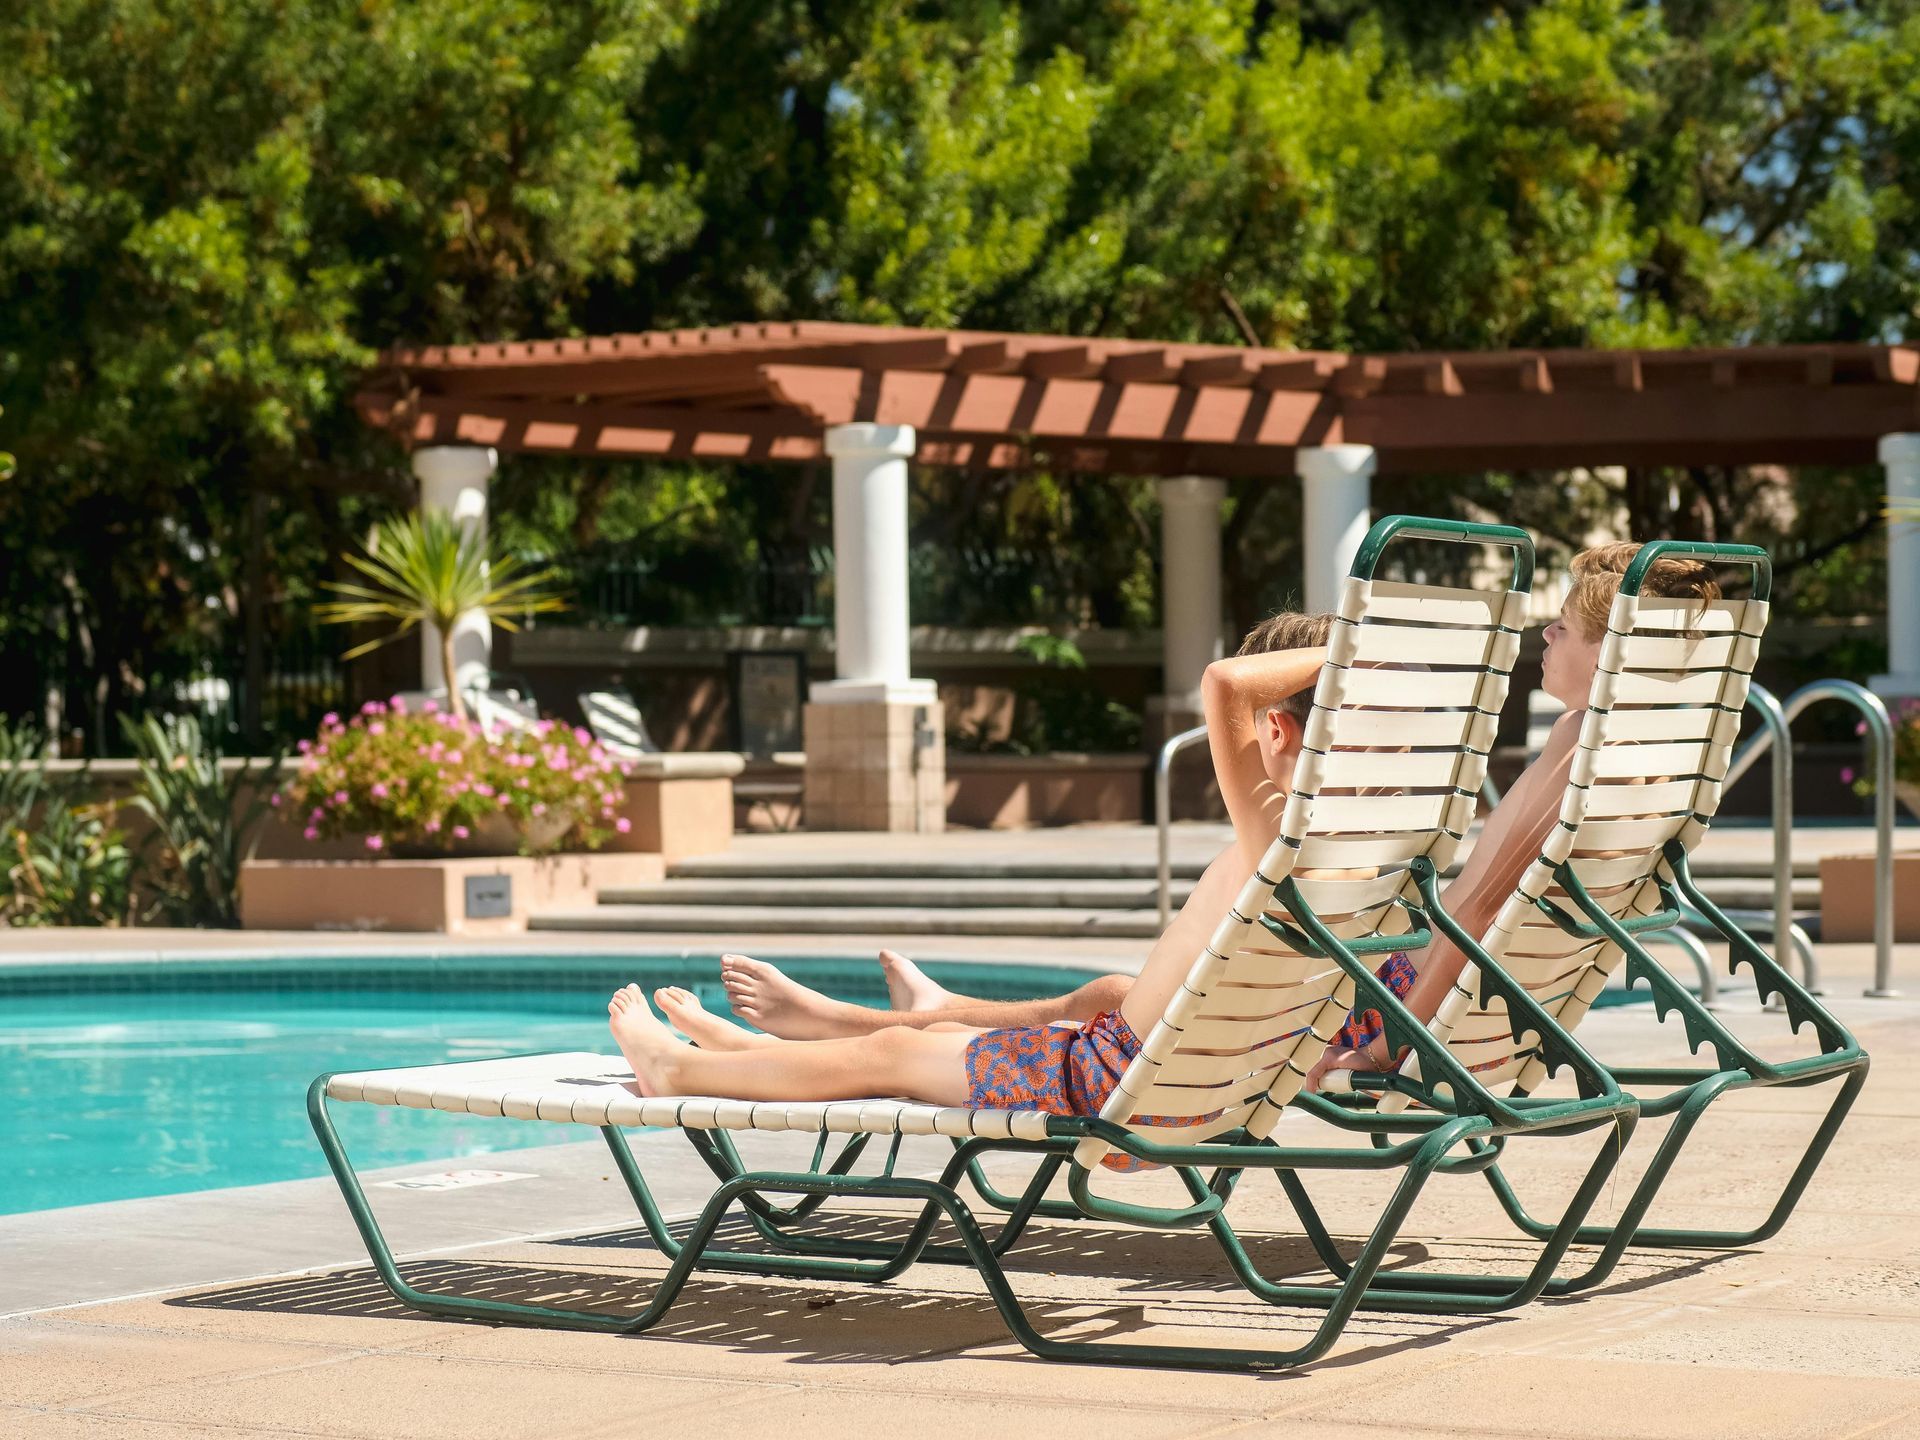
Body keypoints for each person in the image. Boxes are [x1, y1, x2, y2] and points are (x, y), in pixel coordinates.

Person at [607, 541, 1722, 1107]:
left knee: (899, 1059)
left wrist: (1361, 650)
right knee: (1073, 1000)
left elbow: (1224, 685)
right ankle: (802, 1037)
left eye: (1561, 630)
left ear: (1283, 732)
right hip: (1245, 1036)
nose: (1541, 641)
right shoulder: (1425, 818)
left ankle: (690, 1075)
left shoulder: (1285, 827)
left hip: (1144, 1077)